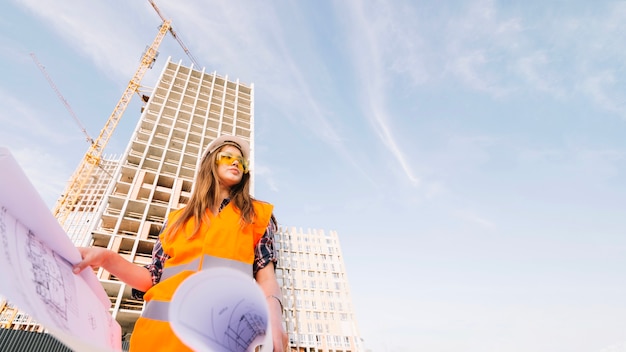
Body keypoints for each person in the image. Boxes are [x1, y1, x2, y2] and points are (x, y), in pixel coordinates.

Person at [73, 135, 288, 352]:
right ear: (210, 163)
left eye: (241, 161)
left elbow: (266, 277)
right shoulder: (177, 219)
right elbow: (153, 278)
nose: (236, 163)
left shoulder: (257, 215)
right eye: (228, 157)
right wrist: (107, 258)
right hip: (155, 339)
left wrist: (275, 319)